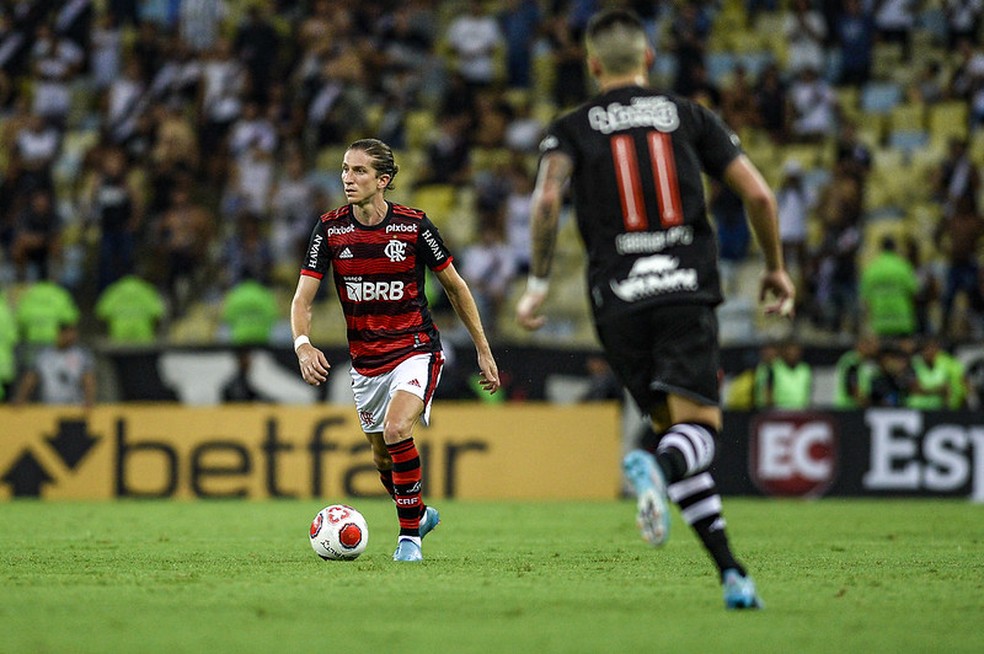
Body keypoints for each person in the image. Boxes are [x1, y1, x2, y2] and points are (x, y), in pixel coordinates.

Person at [516, 9, 794, 610]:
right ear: (648, 59)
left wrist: (537, 282)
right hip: (683, 286)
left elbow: (545, 202)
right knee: (698, 432)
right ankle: (653, 466)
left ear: (592, 66)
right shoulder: (686, 114)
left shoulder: (569, 126)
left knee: (676, 431)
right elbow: (760, 194)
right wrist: (774, 266)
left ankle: (732, 575)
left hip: (615, 298)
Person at [291, 138, 500, 562]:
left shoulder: (414, 226)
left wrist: (483, 349)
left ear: (383, 180)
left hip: (415, 346)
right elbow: (302, 300)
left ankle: (409, 541)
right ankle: (417, 513)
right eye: (345, 170)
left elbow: (456, 287)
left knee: (396, 430)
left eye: (359, 171)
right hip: (366, 361)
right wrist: (302, 345)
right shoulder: (330, 229)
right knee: (381, 456)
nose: (348, 178)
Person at [13, 322, 96, 407]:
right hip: (50, 405)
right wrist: (21, 398)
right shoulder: (44, 356)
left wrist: (89, 400)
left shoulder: (81, 355)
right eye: (68, 334)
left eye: (74, 334)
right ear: (60, 334)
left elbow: (88, 379)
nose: (72, 338)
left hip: (74, 405)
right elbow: (31, 378)